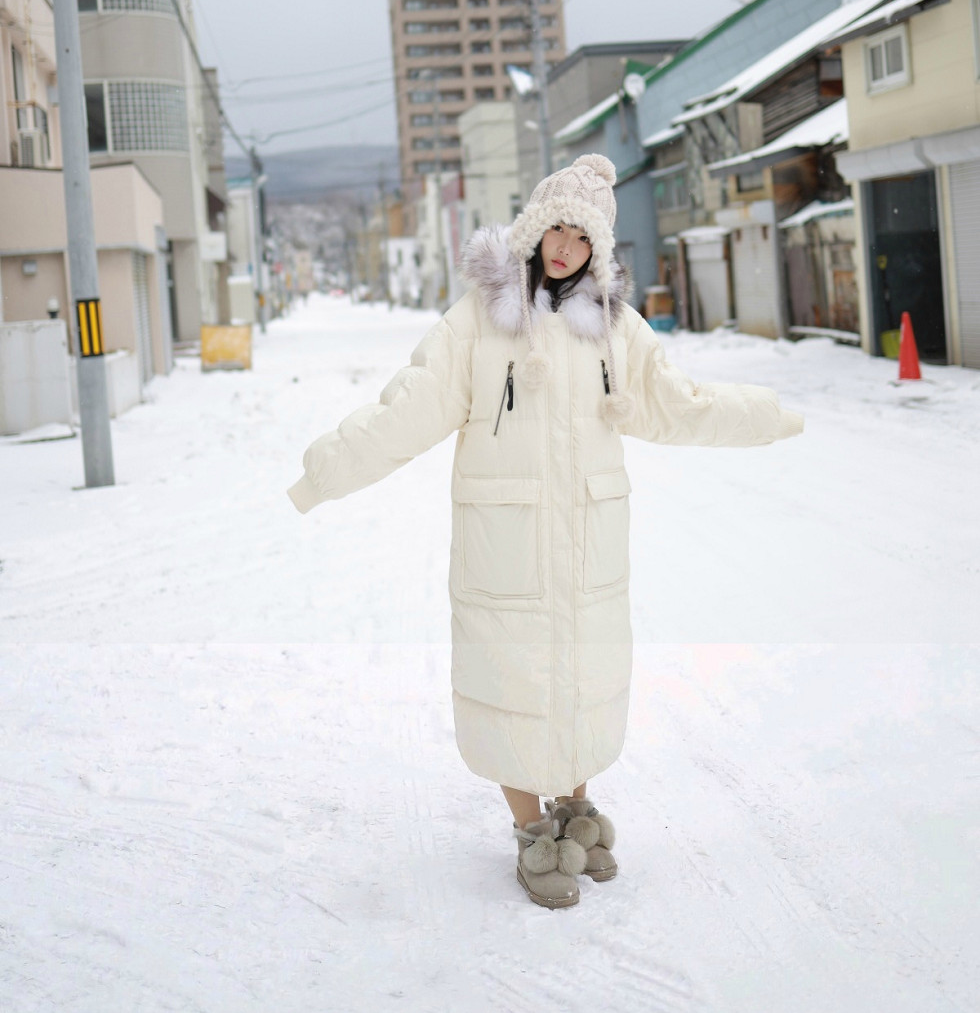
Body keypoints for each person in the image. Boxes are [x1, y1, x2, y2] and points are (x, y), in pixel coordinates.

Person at [287, 153, 804, 909]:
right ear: (533, 228)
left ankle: (573, 810)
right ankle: (532, 831)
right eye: (554, 227)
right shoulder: (479, 320)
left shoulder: (615, 331)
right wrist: (324, 472)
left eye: (581, 235)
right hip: (508, 552)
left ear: (599, 249)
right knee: (514, 684)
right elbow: (408, 409)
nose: (564, 246)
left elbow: (680, 402)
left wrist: (768, 416)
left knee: (582, 683)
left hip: (589, 546)